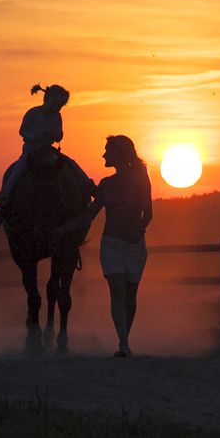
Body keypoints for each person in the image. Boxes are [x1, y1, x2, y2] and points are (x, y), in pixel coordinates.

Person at [53, 135, 152, 357]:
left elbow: (148, 212)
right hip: (111, 245)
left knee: (130, 295)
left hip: (134, 246)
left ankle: (124, 340)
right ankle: (123, 344)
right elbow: (90, 214)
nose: (104, 155)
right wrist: (65, 228)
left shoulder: (141, 178)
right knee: (117, 290)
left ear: (120, 154)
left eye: (108, 150)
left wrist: (139, 230)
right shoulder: (106, 184)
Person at [0, 83, 69, 229]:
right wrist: (35, 136)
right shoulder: (33, 113)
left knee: (69, 165)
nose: (57, 108)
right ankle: (2, 207)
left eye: (60, 106)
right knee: (15, 174)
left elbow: (59, 134)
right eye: (55, 104)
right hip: (31, 150)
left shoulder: (57, 116)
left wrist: (56, 135)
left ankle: (82, 191)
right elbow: (22, 131)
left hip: (49, 151)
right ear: (46, 99)